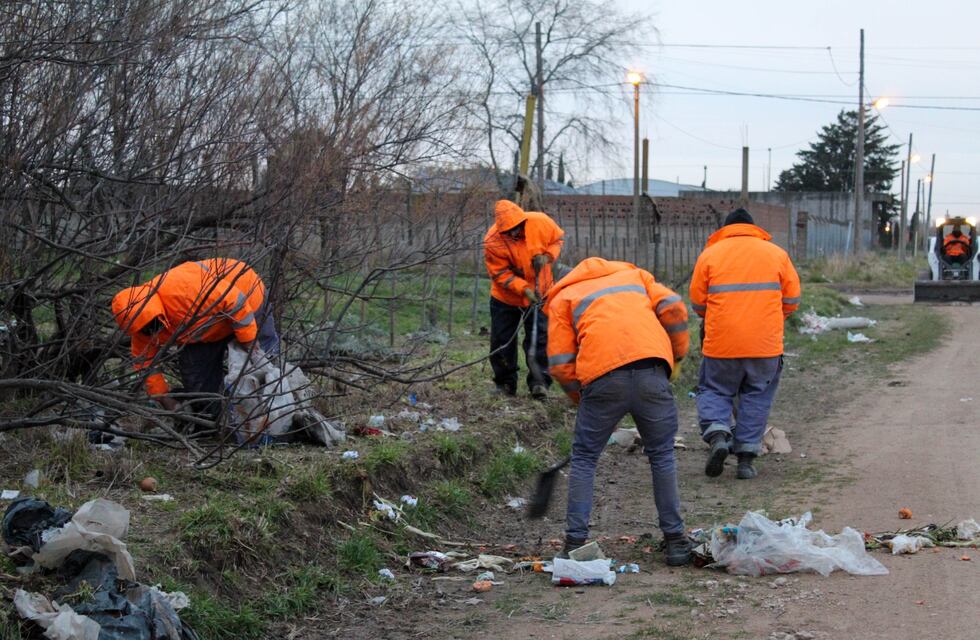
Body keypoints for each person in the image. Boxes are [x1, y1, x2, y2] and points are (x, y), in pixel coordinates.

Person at [545, 257, 691, 565]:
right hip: (652, 371)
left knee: (585, 458)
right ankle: (676, 541)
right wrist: (676, 356)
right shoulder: (635, 276)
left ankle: (574, 544)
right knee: (662, 454)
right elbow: (675, 307)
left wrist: (579, 397)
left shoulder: (563, 296)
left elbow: (559, 364)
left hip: (601, 380)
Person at [690, 209, 801, 480]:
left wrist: (718, 317)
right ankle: (746, 459)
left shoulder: (710, 255)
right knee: (757, 396)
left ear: (725, 229)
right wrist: (772, 318)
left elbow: (697, 303)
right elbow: (792, 300)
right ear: (754, 228)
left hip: (721, 344)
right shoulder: (776, 254)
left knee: (715, 390)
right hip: (765, 346)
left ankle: (718, 434)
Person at [111, 258, 280, 416]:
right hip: (206, 328)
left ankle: (277, 414)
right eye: (144, 329)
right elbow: (145, 364)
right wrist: (163, 398)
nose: (151, 330)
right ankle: (214, 419)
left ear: (155, 310)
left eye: (152, 323)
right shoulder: (141, 331)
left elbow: (235, 301)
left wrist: (250, 341)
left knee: (264, 365)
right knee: (196, 375)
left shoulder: (183, 291)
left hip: (247, 296)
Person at [484, 199, 563, 398]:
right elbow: (500, 273)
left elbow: (557, 240)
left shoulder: (541, 222)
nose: (513, 233)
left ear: (523, 221)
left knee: (540, 339)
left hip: (542, 292)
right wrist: (524, 289)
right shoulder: (492, 240)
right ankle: (505, 384)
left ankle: (540, 383)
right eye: (508, 231)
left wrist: (548, 257)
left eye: (516, 228)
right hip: (506, 298)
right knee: (502, 341)